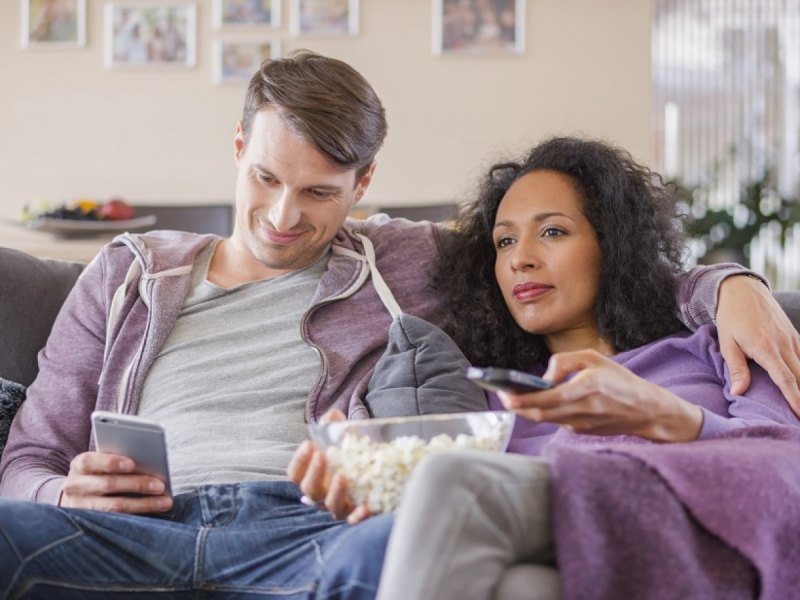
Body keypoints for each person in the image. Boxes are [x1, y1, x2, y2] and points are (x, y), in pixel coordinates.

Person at [0, 49, 796, 597]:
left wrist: (733, 284)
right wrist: (63, 492)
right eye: (266, 177)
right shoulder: (129, 272)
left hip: (305, 527)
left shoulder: (400, 259)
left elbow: (587, 259)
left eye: (318, 193)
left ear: (363, 182)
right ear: (239, 146)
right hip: (141, 529)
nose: (282, 216)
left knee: (412, 545)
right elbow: (27, 456)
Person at [373, 137, 800, 600]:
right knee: (524, 588)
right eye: (505, 241)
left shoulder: (711, 348)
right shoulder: (493, 395)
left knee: (454, 481)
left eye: (552, 231)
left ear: (613, 243)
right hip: (573, 558)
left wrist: (663, 416)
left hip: (693, 534)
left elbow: (783, 465)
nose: (521, 258)